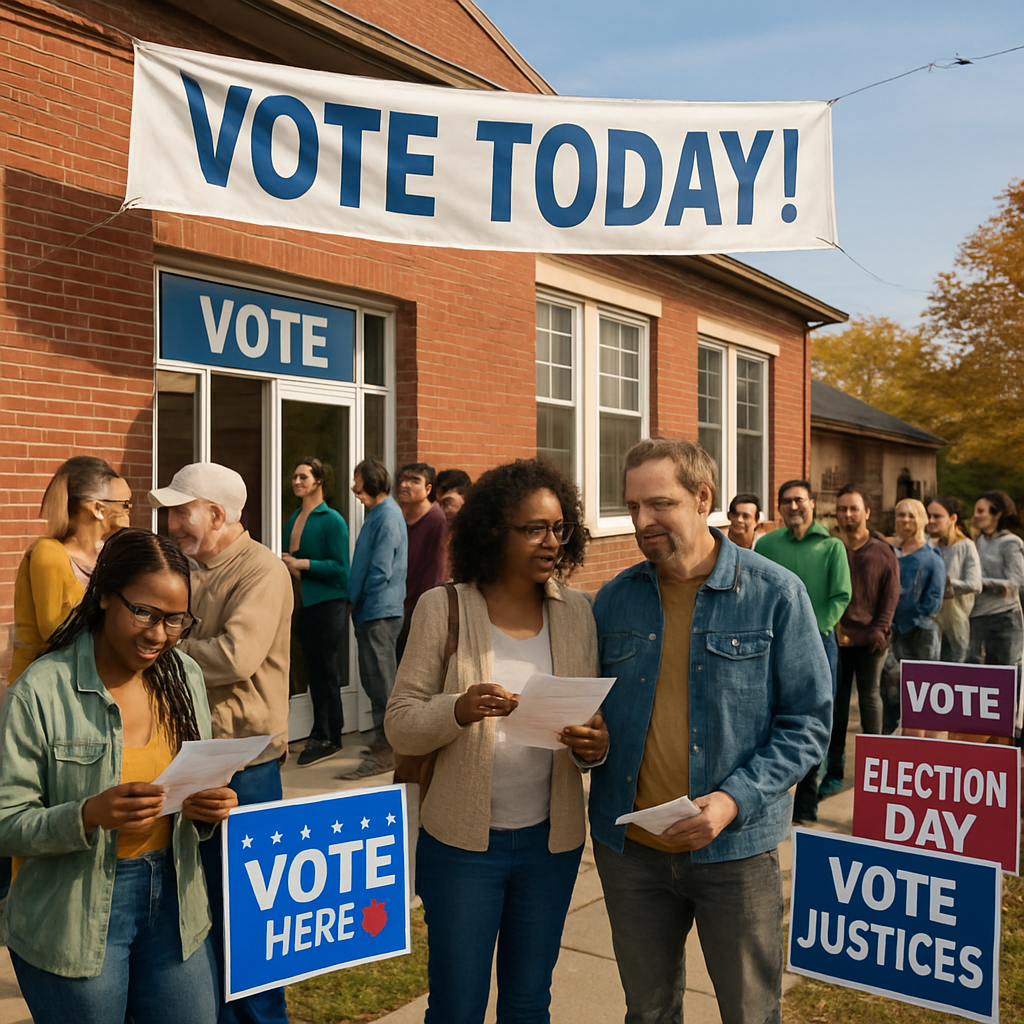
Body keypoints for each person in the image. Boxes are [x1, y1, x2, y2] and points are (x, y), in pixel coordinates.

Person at [589, 438, 831, 1024]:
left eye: (660, 504)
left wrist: (731, 801)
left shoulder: (776, 594)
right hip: (632, 855)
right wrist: (589, 742)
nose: (642, 521)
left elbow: (808, 724)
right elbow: (593, 713)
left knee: (749, 1013)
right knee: (647, 1012)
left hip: (736, 852)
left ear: (704, 498)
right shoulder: (614, 600)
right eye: (632, 506)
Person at [385, 458, 607, 1024]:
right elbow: (401, 722)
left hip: (549, 847)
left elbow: (592, 729)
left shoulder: (578, 613)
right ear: (492, 531)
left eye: (559, 528)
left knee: (530, 1003)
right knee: (457, 1006)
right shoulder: (445, 606)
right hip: (462, 847)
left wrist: (593, 745)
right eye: (533, 528)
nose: (551, 541)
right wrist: (457, 708)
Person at [0, 529, 237, 1024]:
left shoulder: (184, 676)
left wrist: (207, 808)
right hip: (73, 916)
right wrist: (88, 815)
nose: (159, 634)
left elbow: (190, 783)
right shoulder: (40, 691)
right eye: (144, 613)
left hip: (175, 900)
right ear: (106, 596)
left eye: (175, 620)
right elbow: (7, 821)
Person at [150, 462, 292, 1024]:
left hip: (244, 767)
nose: (171, 521)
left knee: (250, 919)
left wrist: (160, 643)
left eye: (181, 510)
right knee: (194, 907)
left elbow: (235, 656)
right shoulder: (183, 566)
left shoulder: (262, 570)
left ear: (216, 513)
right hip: (187, 758)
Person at [756, 478, 850, 822]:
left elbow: (841, 595)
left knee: (813, 721)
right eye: (787, 502)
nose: (793, 507)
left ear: (812, 503)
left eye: (799, 500)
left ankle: (806, 805)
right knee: (769, 719)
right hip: (770, 642)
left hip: (820, 643)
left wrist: (816, 628)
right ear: (778, 508)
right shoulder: (766, 545)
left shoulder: (832, 547)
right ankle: (768, 797)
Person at [11, 456, 133, 681]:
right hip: (45, 687)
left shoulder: (107, 554)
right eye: (125, 503)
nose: (130, 509)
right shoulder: (48, 554)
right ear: (98, 509)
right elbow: (56, 630)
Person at [819, 485, 899, 797]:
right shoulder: (830, 546)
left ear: (867, 512)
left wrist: (880, 629)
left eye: (854, 508)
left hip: (872, 641)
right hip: (836, 640)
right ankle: (834, 773)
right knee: (836, 707)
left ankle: (875, 774)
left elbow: (890, 597)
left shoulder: (882, 551)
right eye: (842, 509)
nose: (847, 514)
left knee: (870, 701)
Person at [341, 458, 408, 780]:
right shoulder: (379, 514)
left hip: (379, 612)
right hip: (372, 610)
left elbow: (380, 570)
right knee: (373, 681)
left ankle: (389, 751)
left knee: (382, 685)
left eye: (357, 481)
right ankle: (385, 745)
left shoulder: (387, 515)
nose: (354, 489)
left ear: (371, 480)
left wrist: (361, 600)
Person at [282, 457, 350, 767]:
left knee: (326, 672)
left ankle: (330, 735)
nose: (297, 481)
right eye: (295, 477)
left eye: (303, 477)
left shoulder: (332, 519)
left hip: (329, 604)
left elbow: (341, 570)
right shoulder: (295, 516)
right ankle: (318, 731)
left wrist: (302, 564)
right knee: (312, 672)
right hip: (302, 604)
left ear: (319, 481)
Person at [887, 498, 946, 738]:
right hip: (891, 632)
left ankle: (920, 749)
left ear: (920, 519)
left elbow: (934, 599)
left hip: (921, 633)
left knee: (922, 696)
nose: (904, 520)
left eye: (910, 515)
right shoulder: (891, 552)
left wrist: (906, 623)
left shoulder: (931, 556)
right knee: (893, 692)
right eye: (900, 514)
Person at [395, 462, 448, 662]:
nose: (405, 485)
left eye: (414, 481)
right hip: (397, 607)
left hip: (418, 612)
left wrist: (419, 613)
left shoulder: (437, 521)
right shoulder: (401, 519)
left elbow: (436, 573)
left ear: (428, 489)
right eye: (403, 479)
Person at [968, 489, 1024, 667]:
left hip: (1003, 618)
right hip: (977, 616)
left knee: (1004, 676)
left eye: (981, 511)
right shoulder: (979, 540)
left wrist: (980, 583)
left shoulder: (1011, 543)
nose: (975, 516)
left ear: (997, 513)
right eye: (975, 511)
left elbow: (1018, 581)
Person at [927, 495, 982, 663]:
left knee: (956, 668)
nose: (931, 520)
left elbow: (975, 584)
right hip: (932, 619)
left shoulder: (966, 546)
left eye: (937, 516)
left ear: (952, 518)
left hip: (957, 620)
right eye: (929, 515)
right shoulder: (930, 545)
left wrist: (949, 582)